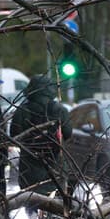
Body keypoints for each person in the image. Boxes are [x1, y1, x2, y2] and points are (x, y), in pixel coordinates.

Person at [9, 75, 71, 203]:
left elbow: (14, 136)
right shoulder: (60, 110)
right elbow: (68, 133)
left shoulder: (22, 110)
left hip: (29, 166)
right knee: (56, 202)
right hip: (56, 165)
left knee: (30, 200)